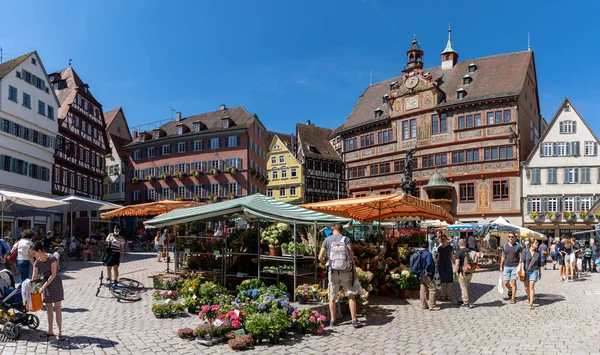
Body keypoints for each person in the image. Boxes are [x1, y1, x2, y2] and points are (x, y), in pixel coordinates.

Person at [318, 223, 363, 328]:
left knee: (332, 297)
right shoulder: (346, 239)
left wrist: (326, 262)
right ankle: (354, 320)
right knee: (351, 295)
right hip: (346, 272)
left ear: (333, 229)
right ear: (341, 230)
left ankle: (333, 320)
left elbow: (320, 257)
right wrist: (355, 271)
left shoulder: (327, 240)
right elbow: (351, 256)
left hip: (333, 272)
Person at [30, 242, 65, 341]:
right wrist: (32, 287)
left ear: (40, 251)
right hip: (45, 283)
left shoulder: (52, 258)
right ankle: (50, 330)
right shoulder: (37, 261)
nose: (33, 255)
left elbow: (53, 274)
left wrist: (43, 287)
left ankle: (60, 332)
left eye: (34, 253)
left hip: (55, 283)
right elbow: (34, 275)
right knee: (49, 308)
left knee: (57, 307)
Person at [519, 239, 542, 310]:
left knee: (531, 287)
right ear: (531, 244)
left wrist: (540, 273)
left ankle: (531, 303)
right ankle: (529, 296)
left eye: (537, 243)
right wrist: (522, 269)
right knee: (526, 288)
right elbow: (522, 261)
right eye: (536, 243)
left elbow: (539, 264)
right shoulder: (525, 251)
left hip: (534, 271)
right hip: (525, 271)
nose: (537, 244)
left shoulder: (538, 253)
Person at [500, 232, 521, 304]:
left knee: (514, 282)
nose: (510, 238)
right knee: (506, 282)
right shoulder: (505, 246)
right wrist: (501, 266)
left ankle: (513, 298)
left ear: (515, 237)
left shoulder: (518, 247)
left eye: (512, 237)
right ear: (508, 237)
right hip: (506, 266)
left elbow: (520, 258)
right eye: (509, 237)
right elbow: (503, 256)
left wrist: (521, 267)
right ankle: (510, 289)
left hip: (515, 266)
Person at [455, 239, 474, 308]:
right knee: (466, 287)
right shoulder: (469, 251)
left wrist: (456, 271)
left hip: (462, 272)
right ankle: (463, 299)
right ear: (465, 244)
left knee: (463, 287)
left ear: (458, 244)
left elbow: (457, 263)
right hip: (470, 271)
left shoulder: (459, 252)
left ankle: (466, 302)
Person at [435, 232, 454, 302]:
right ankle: (442, 295)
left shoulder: (450, 248)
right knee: (442, 281)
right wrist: (434, 263)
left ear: (446, 239)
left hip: (448, 265)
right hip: (441, 265)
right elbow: (438, 258)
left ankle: (448, 295)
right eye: (442, 239)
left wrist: (456, 264)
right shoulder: (439, 248)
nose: (443, 240)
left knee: (449, 281)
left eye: (444, 239)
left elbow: (452, 257)